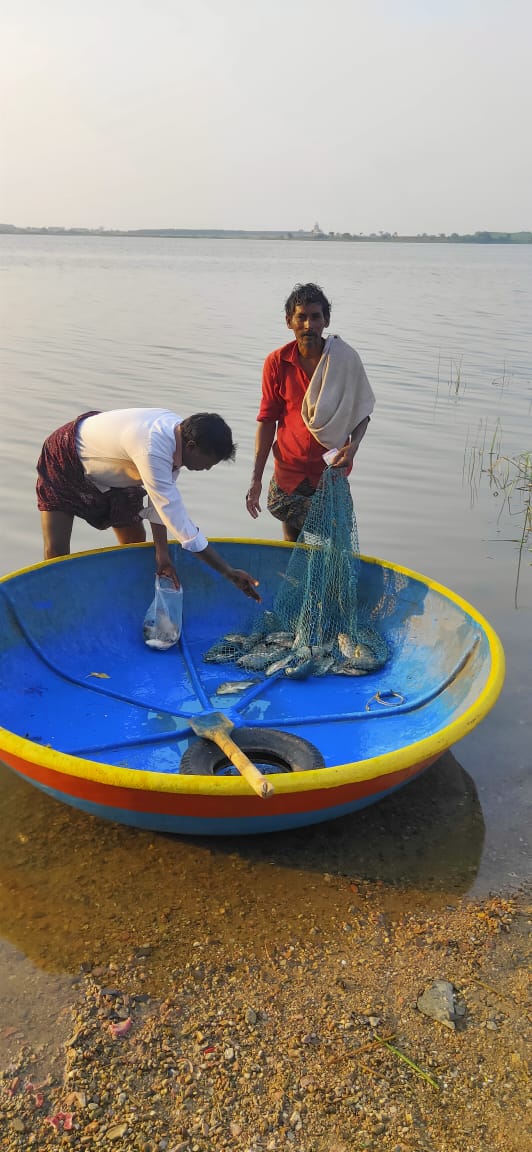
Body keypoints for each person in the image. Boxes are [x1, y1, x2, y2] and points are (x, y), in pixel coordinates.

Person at [37, 408, 261, 601]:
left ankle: (125, 594)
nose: (208, 469)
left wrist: (162, 556)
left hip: (120, 470)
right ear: (192, 446)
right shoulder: (153, 449)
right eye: (208, 463)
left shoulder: (177, 437)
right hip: (67, 457)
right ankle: (57, 599)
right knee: (57, 552)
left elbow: (160, 503)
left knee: (134, 540)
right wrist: (227, 571)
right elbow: (180, 524)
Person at [246, 283, 375, 541]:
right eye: (301, 317)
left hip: (330, 471)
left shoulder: (343, 359)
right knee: (292, 540)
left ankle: (330, 582)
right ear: (289, 321)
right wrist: (256, 479)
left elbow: (361, 413)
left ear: (325, 320)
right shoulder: (277, 362)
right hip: (289, 470)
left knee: (337, 541)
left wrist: (354, 447)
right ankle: (296, 580)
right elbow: (267, 421)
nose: (308, 325)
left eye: (315, 317)